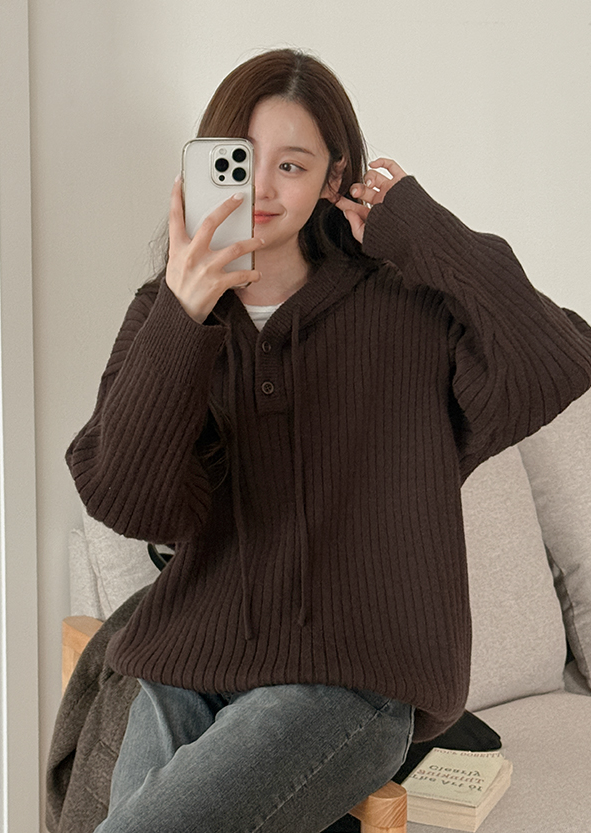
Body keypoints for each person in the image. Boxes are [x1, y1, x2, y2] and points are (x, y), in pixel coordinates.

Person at [66, 48, 591, 833]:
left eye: (292, 165)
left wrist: (422, 231)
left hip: (349, 686)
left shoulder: (406, 311)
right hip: (187, 670)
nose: (262, 188)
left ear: (331, 176)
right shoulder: (166, 312)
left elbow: (555, 359)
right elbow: (128, 498)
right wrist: (183, 314)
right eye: (242, 160)